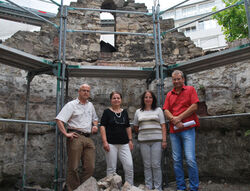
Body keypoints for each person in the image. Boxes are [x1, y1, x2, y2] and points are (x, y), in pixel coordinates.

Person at [55, 84, 98, 191]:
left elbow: (95, 118)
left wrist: (95, 125)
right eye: (83, 90)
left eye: (88, 91)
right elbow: (59, 119)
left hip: (88, 137)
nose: (86, 92)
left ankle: (83, 188)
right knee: (73, 167)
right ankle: (73, 189)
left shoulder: (90, 105)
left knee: (90, 167)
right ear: (79, 92)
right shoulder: (71, 105)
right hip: (75, 137)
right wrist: (66, 133)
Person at [163, 70, 200, 191]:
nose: (176, 81)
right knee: (177, 160)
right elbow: (166, 110)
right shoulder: (169, 94)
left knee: (190, 159)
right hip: (174, 131)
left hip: (188, 129)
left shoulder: (190, 90)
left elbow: (194, 106)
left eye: (178, 79)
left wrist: (179, 118)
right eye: (174, 79)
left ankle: (194, 187)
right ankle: (181, 187)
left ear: (183, 79)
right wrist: (174, 119)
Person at [133, 90, 167, 191]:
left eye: (150, 97)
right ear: (143, 99)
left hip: (157, 141)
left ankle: (158, 188)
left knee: (156, 164)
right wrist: (144, 133)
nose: (148, 99)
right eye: (146, 97)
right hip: (143, 141)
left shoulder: (158, 110)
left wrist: (164, 140)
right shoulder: (138, 112)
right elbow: (135, 126)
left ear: (153, 99)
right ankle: (148, 186)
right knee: (147, 165)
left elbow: (163, 126)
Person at [100, 91, 134, 185]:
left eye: (118, 98)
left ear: (121, 100)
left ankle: (129, 187)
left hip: (124, 143)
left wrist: (130, 140)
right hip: (111, 144)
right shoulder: (107, 112)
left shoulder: (125, 112)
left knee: (129, 166)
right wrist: (104, 141)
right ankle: (112, 187)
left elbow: (127, 127)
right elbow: (102, 126)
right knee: (111, 168)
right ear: (111, 100)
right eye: (114, 98)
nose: (116, 100)